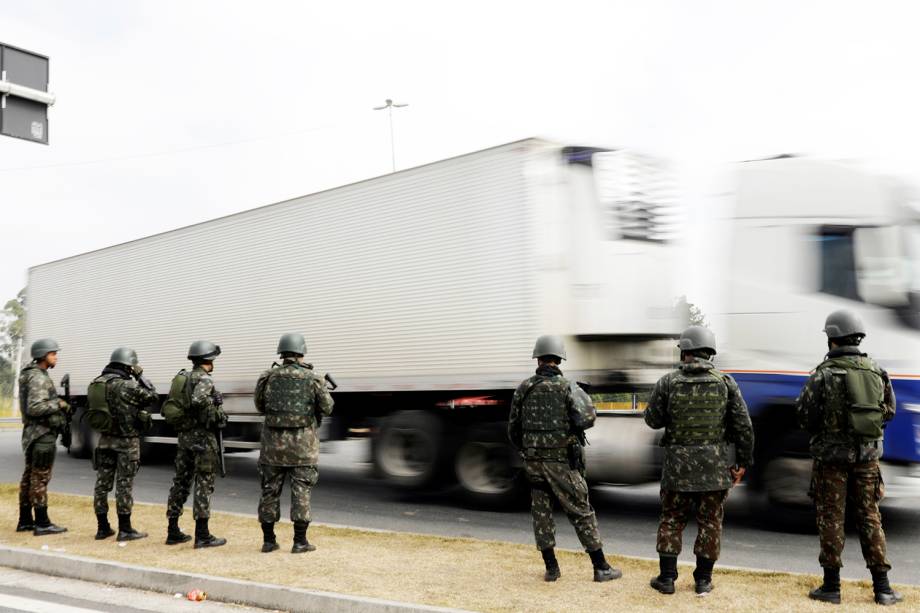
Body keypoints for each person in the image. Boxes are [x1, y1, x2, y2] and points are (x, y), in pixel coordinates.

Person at [796, 310, 902, 606]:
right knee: (870, 516)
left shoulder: (822, 374)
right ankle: (882, 588)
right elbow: (889, 412)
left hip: (831, 460)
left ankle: (831, 587)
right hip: (867, 459)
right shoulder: (876, 371)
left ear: (831, 339)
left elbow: (804, 416)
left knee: (831, 518)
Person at [644, 325, 754, 596]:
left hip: (676, 468)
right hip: (713, 469)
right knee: (710, 522)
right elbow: (743, 427)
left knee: (671, 518)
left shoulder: (668, 382)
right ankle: (703, 581)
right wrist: (742, 462)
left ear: (685, 353)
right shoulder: (725, 383)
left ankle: (667, 579)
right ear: (710, 353)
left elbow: (652, 420)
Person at [508, 334, 621, 583]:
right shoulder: (569, 386)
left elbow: (513, 431)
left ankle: (551, 569)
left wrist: (530, 450)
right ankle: (600, 567)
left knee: (541, 514)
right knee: (581, 512)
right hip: (561, 463)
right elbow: (587, 419)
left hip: (534, 463)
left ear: (538, 359)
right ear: (559, 359)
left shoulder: (524, 388)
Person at [254, 333, 334, 553]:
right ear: (301, 352)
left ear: (282, 353)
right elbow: (327, 408)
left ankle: (268, 541)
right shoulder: (313, 378)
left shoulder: (267, 376)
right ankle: (300, 542)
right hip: (302, 447)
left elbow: (260, 406)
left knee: (269, 491)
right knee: (301, 492)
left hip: (272, 447)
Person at [87, 347, 157, 541]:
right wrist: (141, 375)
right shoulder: (127, 385)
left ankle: (103, 528)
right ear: (129, 366)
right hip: (126, 441)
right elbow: (152, 395)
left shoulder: (95, 384)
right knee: (124, 485)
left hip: (104, 440)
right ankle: (125, 530)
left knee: (102, 484)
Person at [164, 340, 228, 548]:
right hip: (202, 438)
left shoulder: (182, 378)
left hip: (185, 437)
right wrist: (215, 405)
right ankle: (202, 534)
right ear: (209, 360)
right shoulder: (205, 380)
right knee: (204, 483)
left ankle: (173, 530)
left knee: (181, 481)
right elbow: (200, 401)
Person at [16, 338, 70, 535]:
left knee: (29, 477)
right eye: (53, 353)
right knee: (40, 478)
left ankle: (24, 520)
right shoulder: (38, 377)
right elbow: (36, 407)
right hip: (42, 434)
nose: (56, 357)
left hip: (32, 433)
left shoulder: (30, 374)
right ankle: (42, 522)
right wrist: (59, 404)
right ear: (43, 355)